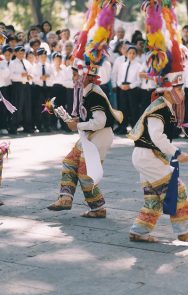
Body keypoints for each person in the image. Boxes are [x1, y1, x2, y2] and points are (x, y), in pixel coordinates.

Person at [128, 1, 188, 244]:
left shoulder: (165, 105)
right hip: (147, 155)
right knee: (177, 188)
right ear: (170, 88)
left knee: (153, 195)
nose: (182, 92)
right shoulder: (160, 107)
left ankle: (139, 232)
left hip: (147, 156)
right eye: (180, 88)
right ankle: (185, 232)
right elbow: (157, 136)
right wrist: (177, 152)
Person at [47, 0, 123, 217]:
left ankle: (98, 208)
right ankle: (65, 198)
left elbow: (99, 121)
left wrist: (76, 123)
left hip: (99, 134)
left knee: (86, 171)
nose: (72, 77)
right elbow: (81, 116)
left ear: (83, 75)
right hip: (89, 133)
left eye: (75, 73)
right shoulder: (82, 90)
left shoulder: (93, 93)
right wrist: (69, 118)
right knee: (70, 161)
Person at [115, 45, 141, 134]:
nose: (131, 55)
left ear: (136, 55)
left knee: (133, 109)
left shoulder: (138, 66)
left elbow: (139, 80)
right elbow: (119, 78)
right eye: (130, 53)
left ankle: (135, 128)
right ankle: (123, 127)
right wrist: (120, 85)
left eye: (134, 53)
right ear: (127, 54)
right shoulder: (123, 65)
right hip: (122, 88)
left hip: (132, 89)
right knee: (123, 109)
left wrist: (130, 86)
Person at [9, 45, 33, 134]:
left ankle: (27, 127)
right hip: (17, 86)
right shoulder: (13, 63)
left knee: (27, 106)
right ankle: (13, 127)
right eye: (19, 52)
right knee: (17, 106)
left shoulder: (27, 62)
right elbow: (11, 76)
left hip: (26, 85)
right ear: (15, 53)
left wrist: (30, 76)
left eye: (23, 52)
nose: (22, 54)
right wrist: (20, 75)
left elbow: (32, 73)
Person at [32, 48, 53, 132]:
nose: (43, 58)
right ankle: (39, 126)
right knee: (39, 107)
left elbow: (53, 76)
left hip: (47, 88)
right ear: (38, 57)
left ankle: (47, 125)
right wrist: (40, 77)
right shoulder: (35, 66)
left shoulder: (49, 66)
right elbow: (33, 77)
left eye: (45, 56)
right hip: (38, 88)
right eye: (41, 56)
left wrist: (47, 77)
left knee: (47, 107)